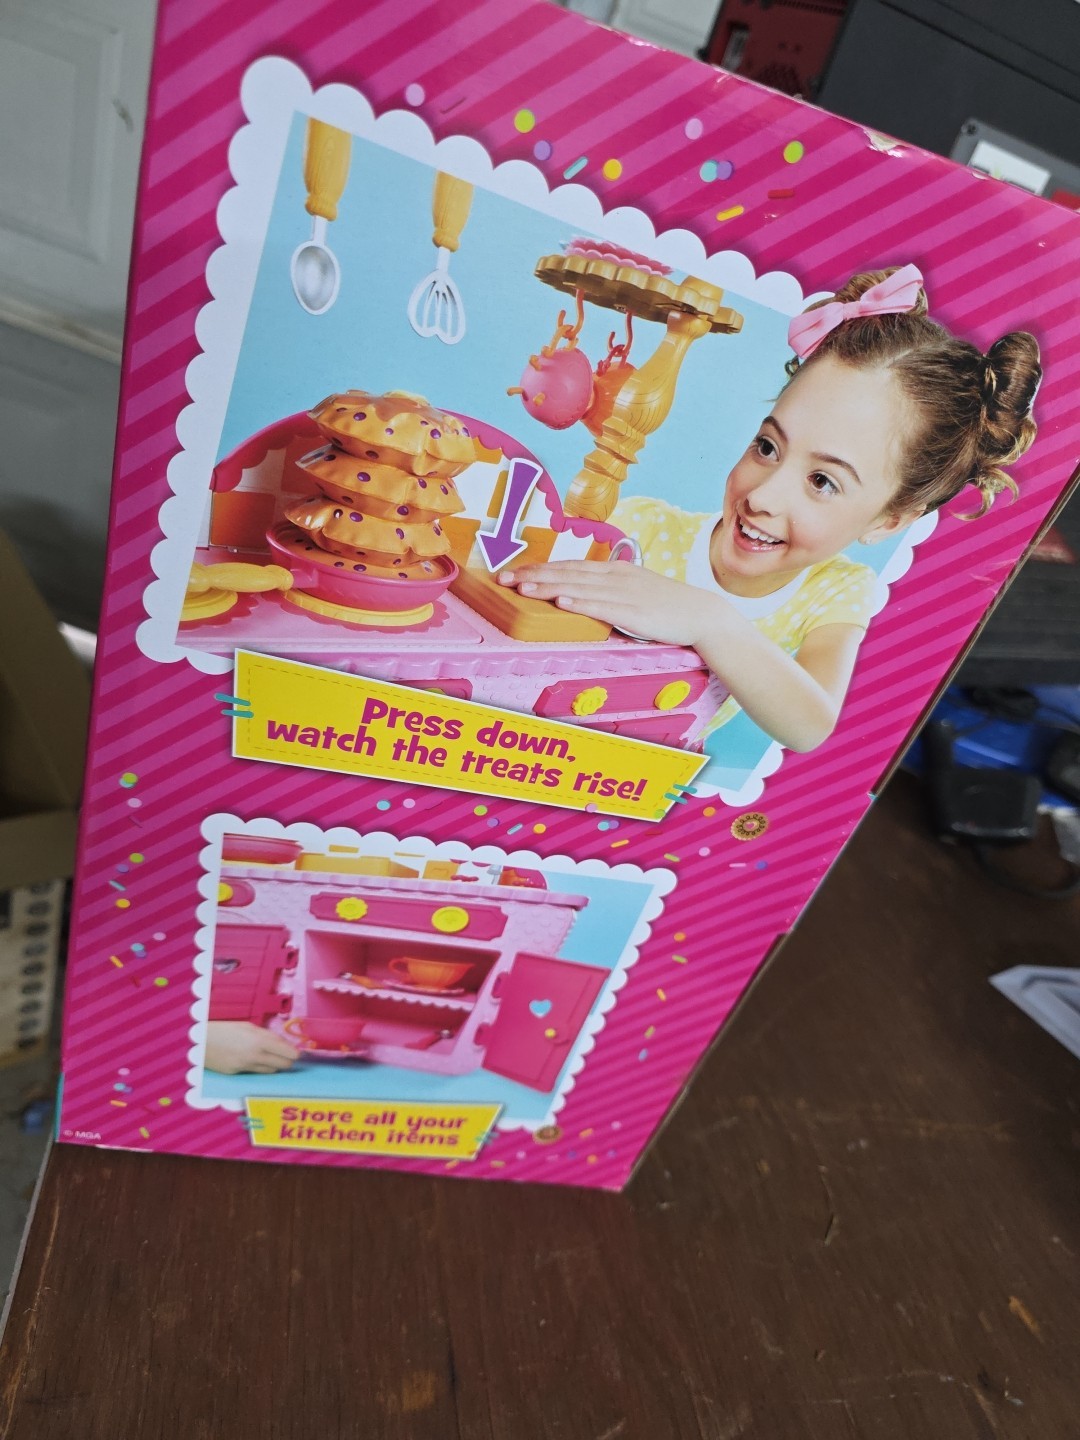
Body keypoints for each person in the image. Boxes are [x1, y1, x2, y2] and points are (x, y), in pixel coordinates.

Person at [497, 265, 1041, 752]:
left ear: (889, 520)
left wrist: (709, 620)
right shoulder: (641, 526)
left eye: (822, 481)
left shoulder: (834, 592)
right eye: (767, 447)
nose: (762, 497)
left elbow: (810, 725)